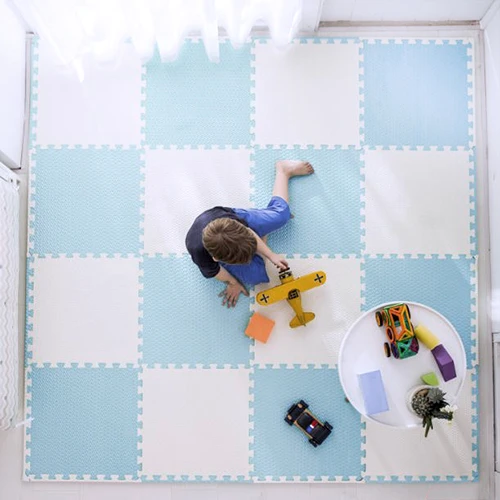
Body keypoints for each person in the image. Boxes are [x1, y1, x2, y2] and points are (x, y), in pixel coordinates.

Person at [185, 160, 314, 307]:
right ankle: (263, 234)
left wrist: (270, 255)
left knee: (282, 216)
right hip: (225, 239)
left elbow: (248, 231)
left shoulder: (232, 224)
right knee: (257, 278)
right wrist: (233, 283)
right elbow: (216, 272)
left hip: (238, 219)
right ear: (216, 258)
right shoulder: (200, 254)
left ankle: (283, 171)